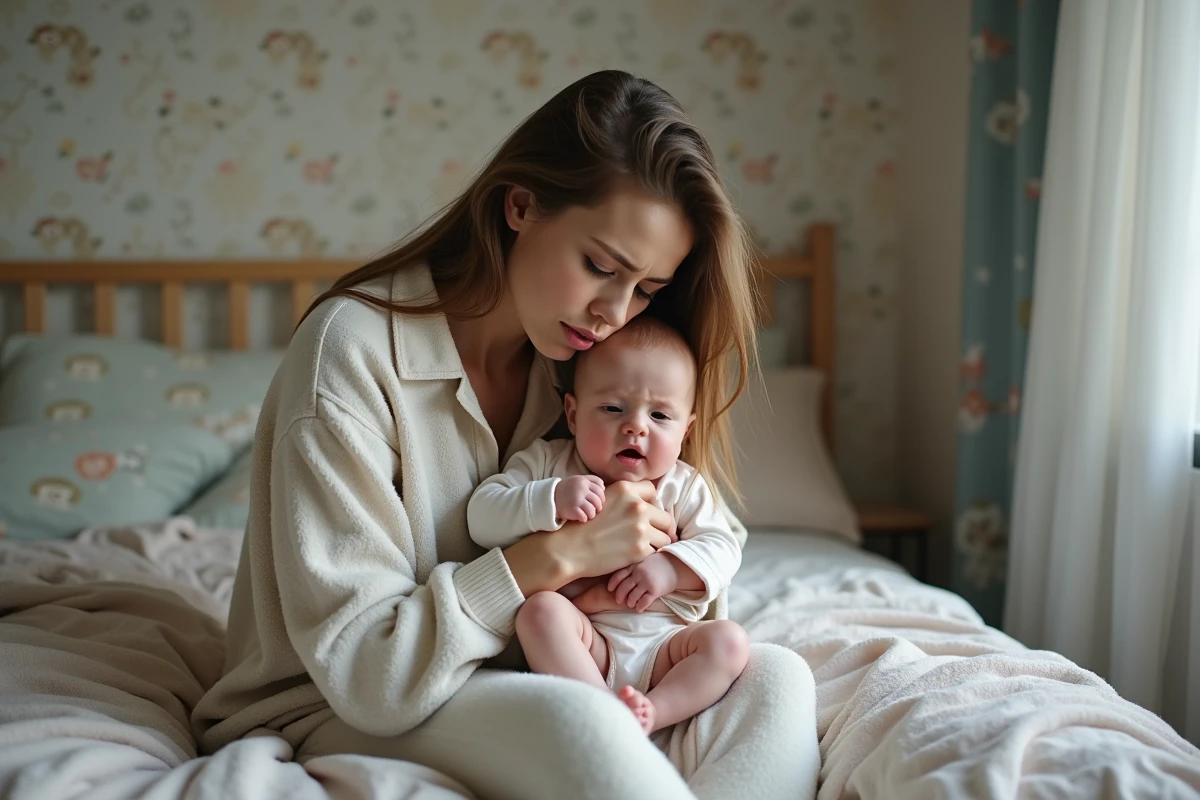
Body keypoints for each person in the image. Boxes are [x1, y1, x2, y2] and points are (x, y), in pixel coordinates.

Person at [191, 69, 819, 800]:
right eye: (600, 267)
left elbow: (680, 603)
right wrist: (556, 554)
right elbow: (370, 673)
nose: (615, 312)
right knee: (583, 735)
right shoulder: (352, 352)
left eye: (645, 290)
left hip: (531, 668)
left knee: (778, 678)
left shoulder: (582, 371)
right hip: (340, 698)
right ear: (521, 206)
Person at [468, 316, 750, 736]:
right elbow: (481, 517)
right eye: (613, 408)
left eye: (659, 415)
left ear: (686, 431)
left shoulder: (683, 484)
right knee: (539, 613)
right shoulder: (548, 463)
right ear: (574, 414)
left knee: (729, 642)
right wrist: (549, 499)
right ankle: (601, 711)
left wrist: (670, 569)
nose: (636, 426)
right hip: (586, 641)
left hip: (665, 647)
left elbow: (723, 547)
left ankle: (654, 711)